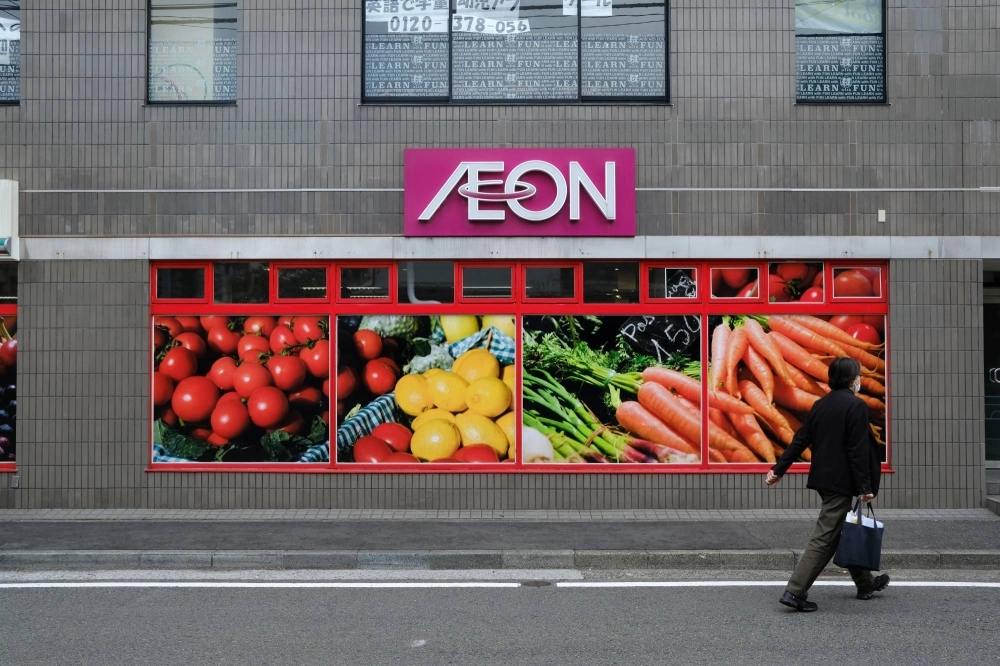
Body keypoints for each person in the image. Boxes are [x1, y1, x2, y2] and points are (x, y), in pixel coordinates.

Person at [766, 356, 888, 612]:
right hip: (841, 482)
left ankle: (865, 584)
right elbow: (856, 450)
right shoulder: (854, 406)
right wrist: (865, 486)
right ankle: (795, 591)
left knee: (842, 529)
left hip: (824, 479)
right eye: (858, 376)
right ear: (850, 379)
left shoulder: (820, 404)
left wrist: (779, 469)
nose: (860, 380)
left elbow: (800, 440)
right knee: (824, 538)